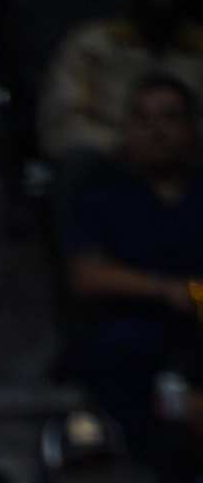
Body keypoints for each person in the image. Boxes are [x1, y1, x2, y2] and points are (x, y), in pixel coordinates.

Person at [64, 74, 203, 450]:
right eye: (143, 119)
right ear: (127, 128)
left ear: (191, 127)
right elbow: (87, 275)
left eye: (170, 118)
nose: (157, 132)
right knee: (120, 350)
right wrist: (165, 289)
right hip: (132, 328)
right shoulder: (101, 191)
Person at [42, 0, 203, 164]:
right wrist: (128, 144)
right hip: (110, 162)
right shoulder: (91, 45)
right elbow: (60, 127)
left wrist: (181, 142)